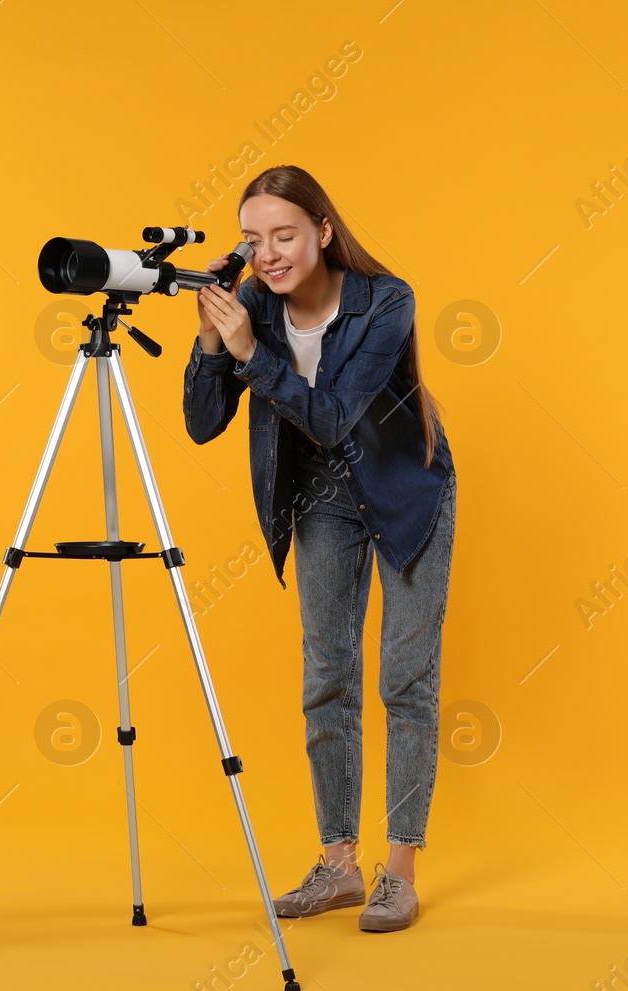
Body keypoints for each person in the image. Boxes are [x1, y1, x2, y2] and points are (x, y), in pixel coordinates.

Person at [182, 164, 456, 933]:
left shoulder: (386, 301)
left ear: (323, 231)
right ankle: (337, 864)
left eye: (284, 235)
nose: (267, 254)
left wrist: (250, 352)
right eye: (252, 239)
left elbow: (335, 417)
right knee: (327, 673)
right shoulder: (253, 310)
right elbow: (202, 423)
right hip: (320, 496)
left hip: (407, 484)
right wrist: (213, 340)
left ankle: (396, 872)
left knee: (406, 676)